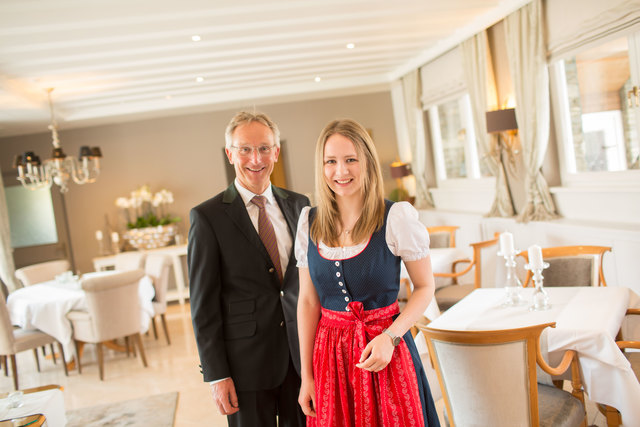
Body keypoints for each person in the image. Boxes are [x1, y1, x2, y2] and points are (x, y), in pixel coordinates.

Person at [295, 119, 440, 426]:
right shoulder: (309, 221)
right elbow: (308, 302)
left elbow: (426, 287)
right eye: (331, 161)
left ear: (367, 163)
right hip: (330, 360)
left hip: (387, 353)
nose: (341, 171)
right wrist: (307, 376)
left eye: (351, 160)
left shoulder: (396, 216)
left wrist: (391, 336)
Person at [188, 111, 309, 427]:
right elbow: (203, 307)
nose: (256, 159)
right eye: (245, 149)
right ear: (230, 154)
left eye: (264, 148)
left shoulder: (301, 206)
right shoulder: (207, 217)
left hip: (302, 361)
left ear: (276, 152)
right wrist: (217, 374)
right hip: (245, 368)